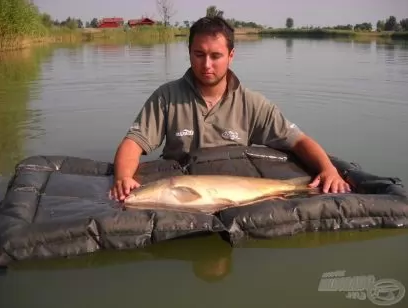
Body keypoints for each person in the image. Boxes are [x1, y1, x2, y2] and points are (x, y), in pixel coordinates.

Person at [109, 16, 351, 201]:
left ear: (231, 55)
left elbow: (299, 141)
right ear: (189, 53)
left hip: (236, 194)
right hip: (182, 195)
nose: (206, 65)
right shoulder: (167, 96)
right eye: (199, 54)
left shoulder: (253, 103)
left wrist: (328, 169)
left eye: (216, 56)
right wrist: (123, 178)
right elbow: (134, 143)